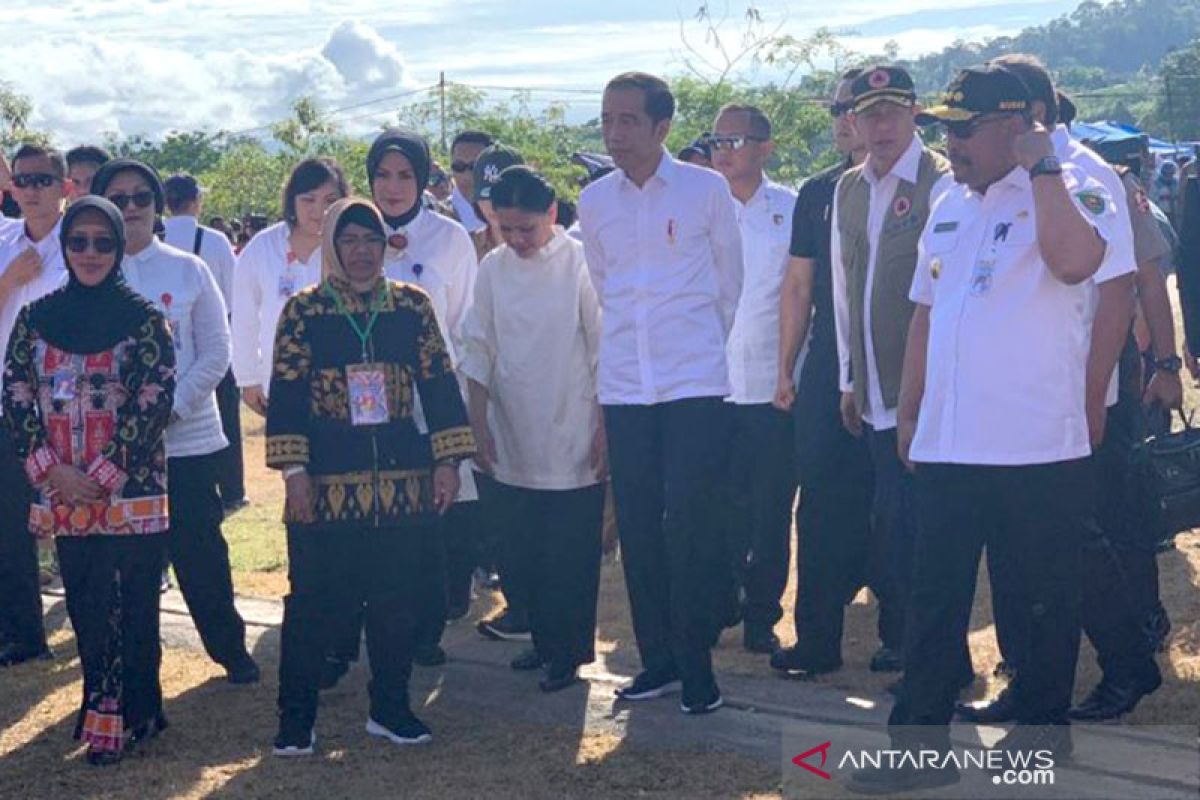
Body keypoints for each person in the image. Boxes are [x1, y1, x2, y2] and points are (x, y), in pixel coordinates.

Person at [848, 65, 1131, 794]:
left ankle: (1039, 746)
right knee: (933, 598)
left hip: (1035, 442)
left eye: (966, 126)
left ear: (1024, 123)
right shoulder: (949, 197)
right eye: (945, 125)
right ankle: (917, 748)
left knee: (1039, 605)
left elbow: (1078, 265)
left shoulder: (1072, 185)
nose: (952, 140)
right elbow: (926, 311)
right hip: (949, 439)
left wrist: (1042, 164)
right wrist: (910, 410)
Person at [266, 197, 475, 756]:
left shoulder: (412, 306)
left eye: (372, 240)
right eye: (350, 240)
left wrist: (448, 461)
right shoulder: (304, 312)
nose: (361, 252)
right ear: (333, 245)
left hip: (404, 477)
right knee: (313, 601)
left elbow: (439, 385)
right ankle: (296, 717)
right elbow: (285, 396)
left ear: (386, 246)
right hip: (326, 481)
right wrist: (294, 473)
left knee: (396, 600)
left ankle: (390, 708)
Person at [578, 72, 743, 714]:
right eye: (606, 120)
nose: (615, 133)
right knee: (640, 527)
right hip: (626, 386)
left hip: (693, 383)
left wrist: (694, 347)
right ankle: (660, 662)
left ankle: (699, 661)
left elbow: (730, 283)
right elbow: (603, 282)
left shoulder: (706, 191)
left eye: (627, 120)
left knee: (693, 526)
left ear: (661, 127)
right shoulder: (595, 202)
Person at [4, 197, 176, 765]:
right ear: (64, 247)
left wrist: (100, 475)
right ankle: (104, 707)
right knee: (86, 604)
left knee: (131, 605)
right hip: (63, 491)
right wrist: (53, 471)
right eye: (79, 241)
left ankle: (131, 713)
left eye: (104, 242)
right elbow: (17, 396)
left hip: (129, 493)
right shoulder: (35, 318)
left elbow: (153, 403)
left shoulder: (147, 320)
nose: (91, 253)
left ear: (119, 247)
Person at [92, 158, 259, 684]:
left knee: (201, 552)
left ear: (158, 204)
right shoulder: (90, 271)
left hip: (185, 440)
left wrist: (171, 406)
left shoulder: (188, 268)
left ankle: (230, 650)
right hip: (116, 448)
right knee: (130, 565)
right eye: (118, 199)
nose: (132, 208)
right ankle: (137, 674)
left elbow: (216, 351)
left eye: (142, 197)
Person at [830, 65, 955, 675]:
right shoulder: (849, 188)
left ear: (914, 113)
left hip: (929, 392)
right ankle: (905, 639)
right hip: (874, 389)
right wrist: (848, 379)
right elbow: (842, 289)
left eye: (890, 111)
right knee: (891, 524)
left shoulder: (943, 184)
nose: (878, 125)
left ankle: (937, 655)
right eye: (866, 113)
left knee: (928, 527)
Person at [461, 165, 605, 692]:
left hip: (571, 421)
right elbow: (478, 346)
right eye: (507, 229)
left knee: (568, 550)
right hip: (511, 426)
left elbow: (600, 348)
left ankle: (568, 652)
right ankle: (542, 640)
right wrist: (478, 424)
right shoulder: (494, 268)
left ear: (551, 214)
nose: (518, 240)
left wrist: (603, 427)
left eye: (527, 228)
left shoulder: (581, 262)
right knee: (520, 547)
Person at [364, 129, 487, 668]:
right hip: (367, 401)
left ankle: (429, 626)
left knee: (438, 515)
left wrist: (448, 390)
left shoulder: (450, 238)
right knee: (383, 517)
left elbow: (466, 318)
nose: (393, 187)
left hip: (433, 394)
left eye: (405, 175)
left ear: (422, 178)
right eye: (383, 176)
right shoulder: (353, 231)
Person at [770, 70, 875, 677]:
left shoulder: (932, 182)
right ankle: (816, 640)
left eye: (852, 107)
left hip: (892, 366)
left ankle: (905, 638)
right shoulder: (819, 192)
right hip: (827, 363)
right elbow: (799, 284)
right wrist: (786, 366)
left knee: (898, 506)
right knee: (818, 506)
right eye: (836, 108)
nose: (841, 119)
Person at [708, 103, 797, 654]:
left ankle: (763, 613)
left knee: (769, 507)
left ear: (765, 147)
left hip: (771, 384)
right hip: (710, 385)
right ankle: (720, 603)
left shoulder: (792, 209)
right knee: (717, 505)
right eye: (716, 140)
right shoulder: (698, 208)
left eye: (736, 141)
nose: (723, 150)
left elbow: (803, 294)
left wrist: (791, 370)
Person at [0, 144, 72, 667]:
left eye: (44, 180)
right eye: (24, 180)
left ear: (64, 187)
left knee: (70, 519)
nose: (32, 190)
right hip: (9, 402)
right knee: (10, 522)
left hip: (66, 404)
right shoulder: (4, 241)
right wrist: (9, 281)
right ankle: (23, 633)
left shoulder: (83, 240)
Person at [231, 158, 347, 417]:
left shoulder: (351, 247)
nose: (320, 211)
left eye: (330, 201)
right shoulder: (262, 248)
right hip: (281, 385)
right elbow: (244, 319)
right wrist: (248, 379)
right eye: (308, 200)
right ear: (292, 201)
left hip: (344, 387)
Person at [163, 172, 247, 512]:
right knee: (226, 414)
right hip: (213, 338)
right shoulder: (214, 240)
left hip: (174, 343)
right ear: (196, 200)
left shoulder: (159, 236)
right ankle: (231, 488)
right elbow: (233, 292)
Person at [471, 144, 525, 260]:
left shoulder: (546, 248)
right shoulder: (466, 246)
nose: (494, 204)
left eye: (503, 195)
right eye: (486, 196)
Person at [448, 130, 493, 233]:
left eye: (475, 167)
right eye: (459, 166)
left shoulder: (509, 215)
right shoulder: (439, 216)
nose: (467, 174)